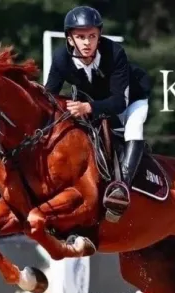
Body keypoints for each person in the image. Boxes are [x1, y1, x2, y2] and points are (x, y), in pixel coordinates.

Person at [45, 5, 152, 220]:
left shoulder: (115, 53)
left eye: (92, 36)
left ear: (99, 36)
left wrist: (88, 107)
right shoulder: (61, 59)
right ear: (70, 39)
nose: (87, 42)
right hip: (92, 102)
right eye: (80, 37)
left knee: (134, 127)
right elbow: (49, 97)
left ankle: (121, 189)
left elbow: (119, 102)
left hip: (130, 100)